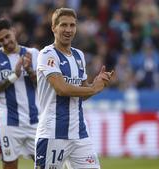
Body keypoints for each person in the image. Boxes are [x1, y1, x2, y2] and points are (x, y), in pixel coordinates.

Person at [35, 8, 113, 169]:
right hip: (53, 132)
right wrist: (93, 89)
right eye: (64, 25)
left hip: (79, 133)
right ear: (53, 28)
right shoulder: (47, 54)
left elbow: (82, 93)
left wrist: (97, 84)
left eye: (72, 25)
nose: (68, 30)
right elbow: (62, 89)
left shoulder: (79, 56)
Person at [0, 18, 39, 169]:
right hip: (8, 123)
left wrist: (30, 70)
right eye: (1, 40)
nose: (6, 41)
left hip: (35, 121)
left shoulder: (33, 54)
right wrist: (14, 75)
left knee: (46, 164)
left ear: (14, 31)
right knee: (10, 166)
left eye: (7, 36)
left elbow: (44, 85)